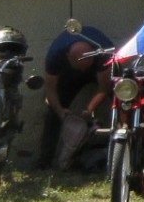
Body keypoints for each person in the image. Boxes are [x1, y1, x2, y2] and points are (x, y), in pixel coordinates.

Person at [39, 22, 112, 169]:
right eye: (80, 66)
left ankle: (120, 153)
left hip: (98, 73)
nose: (83, 69)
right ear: (68, 57)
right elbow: (50, 89)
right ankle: (45, 160)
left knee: (123, 99)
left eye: (86, 65)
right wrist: (60, 111)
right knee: (52, 112)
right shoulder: (55, 54)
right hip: (69, 76)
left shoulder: (103, 53)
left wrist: (90, 109)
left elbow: (104, 88)